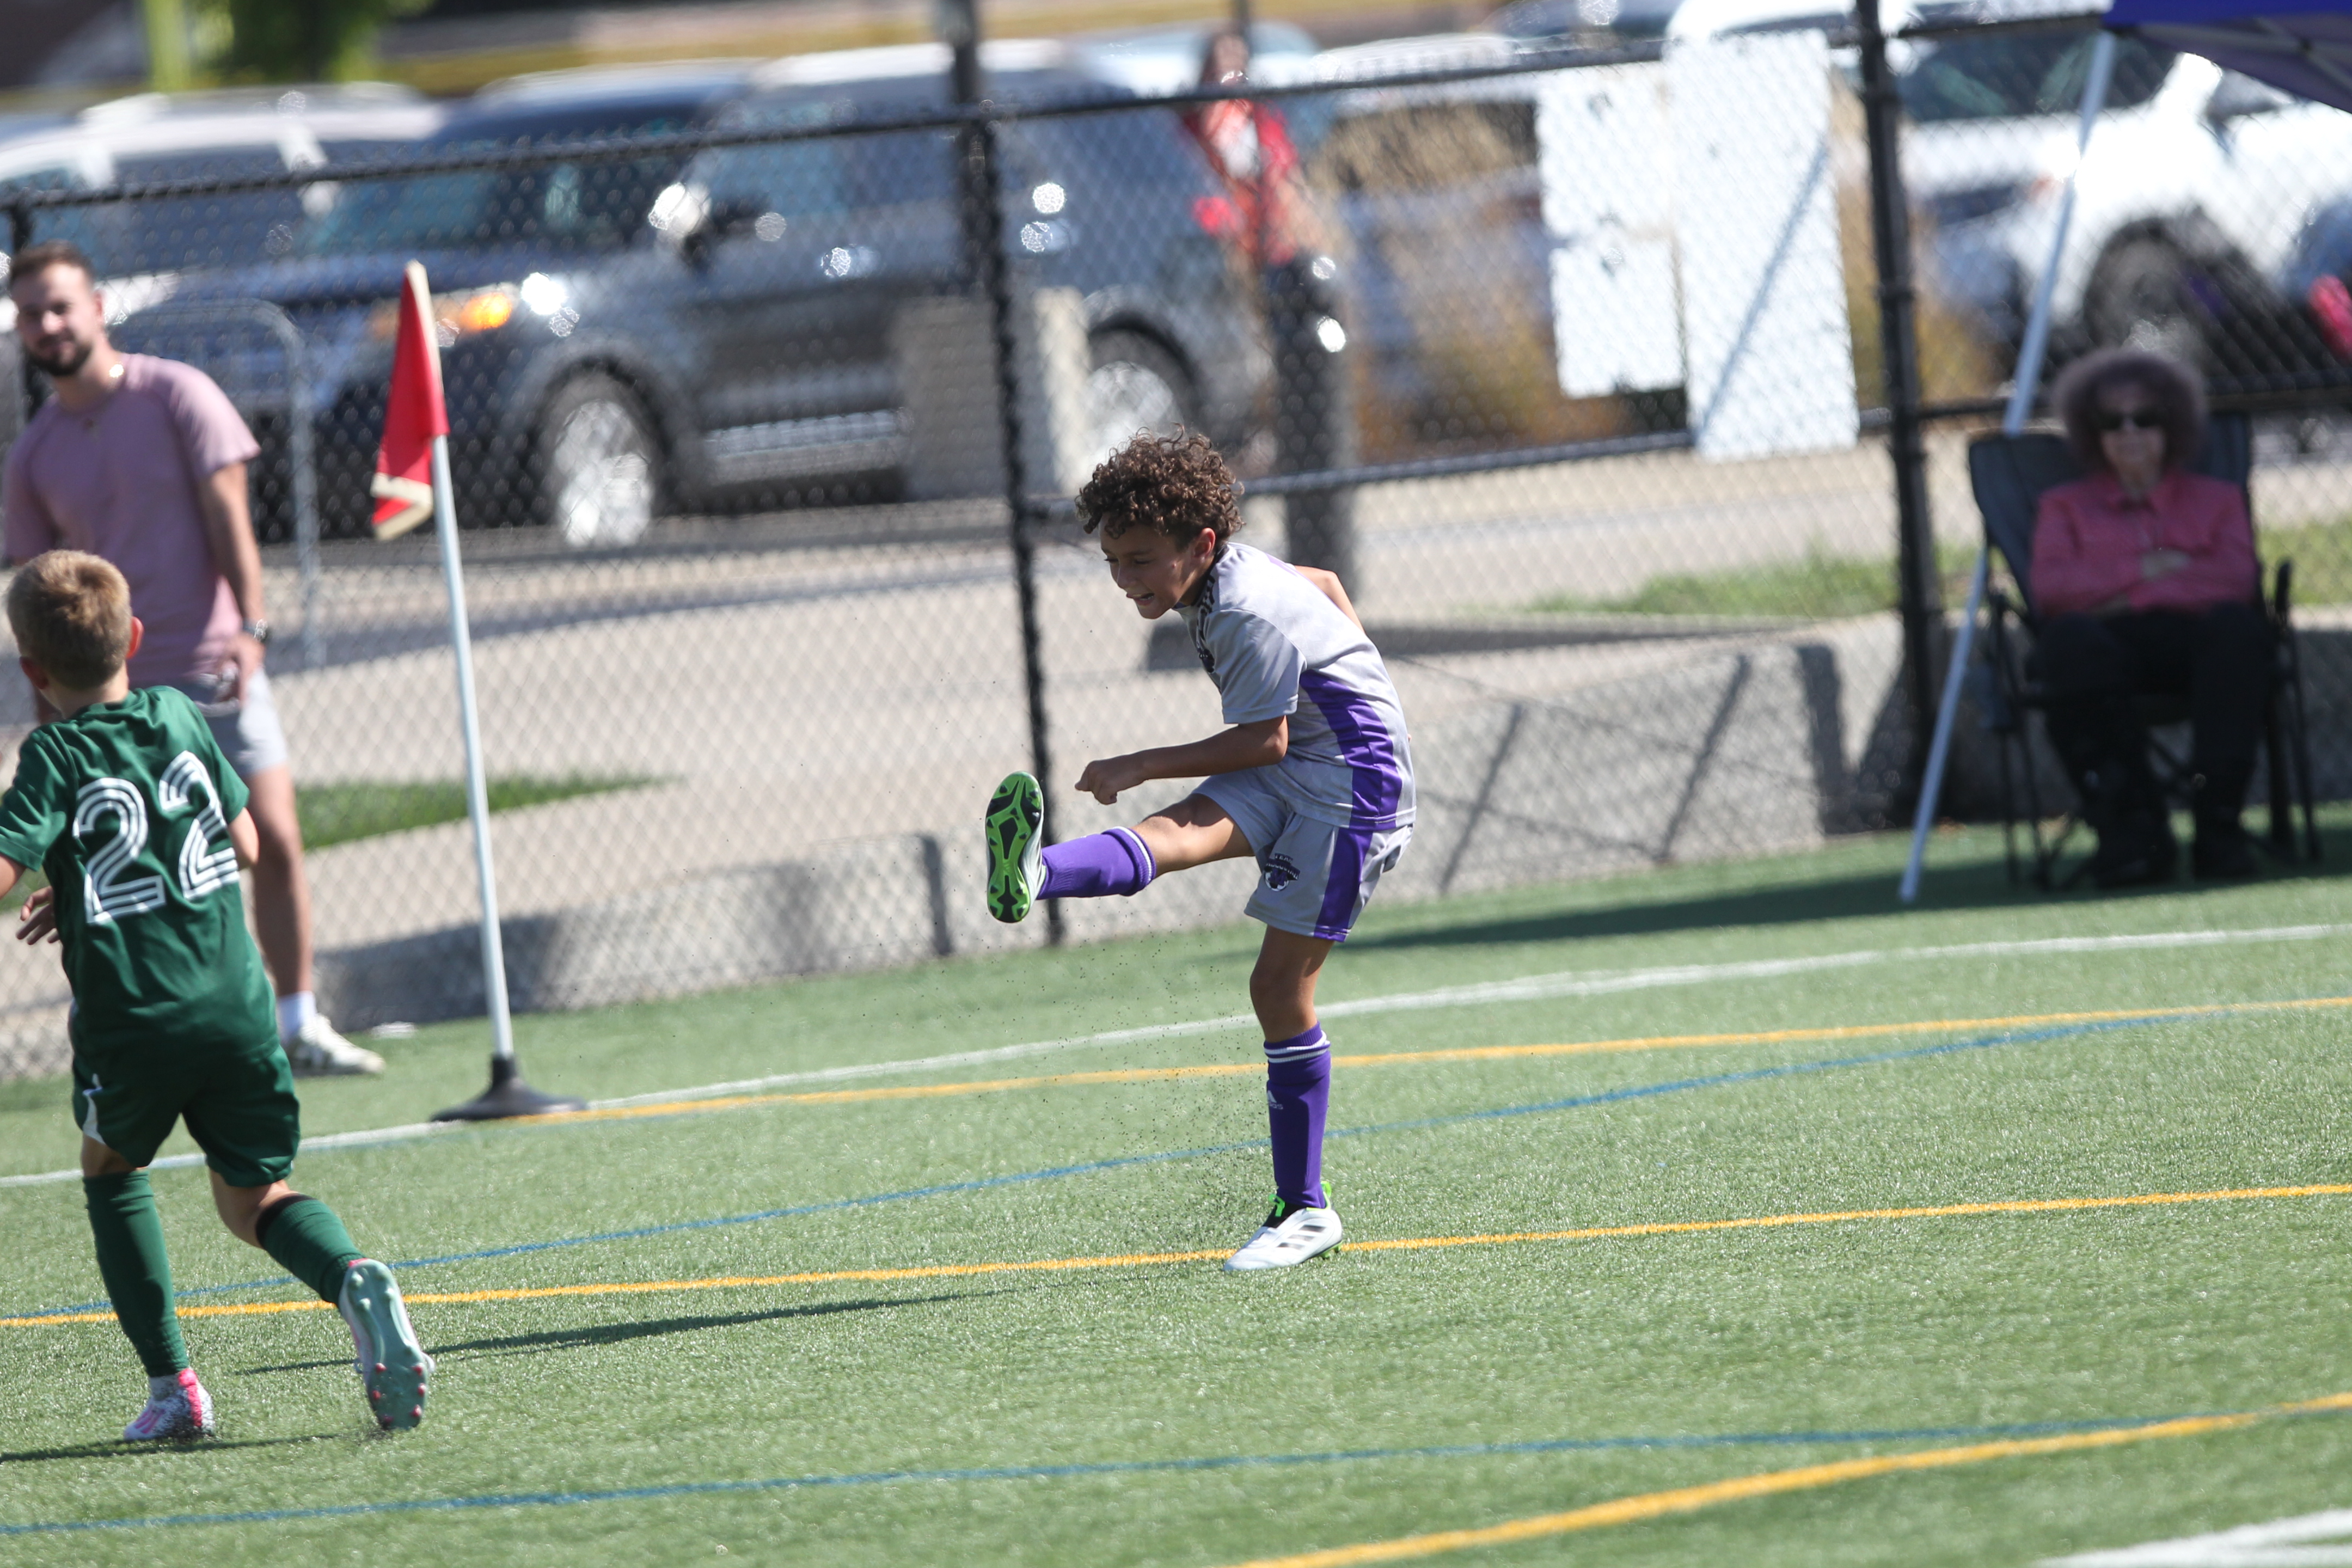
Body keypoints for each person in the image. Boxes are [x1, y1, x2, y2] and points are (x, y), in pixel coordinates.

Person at [0, 552, 428, 1440]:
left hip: (136, 1019)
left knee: (112, 1172)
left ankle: (175, 1392)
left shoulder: (52, 753)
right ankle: (351, 1276)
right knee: (255, 1197)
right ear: (136, 639)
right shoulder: (178, 715)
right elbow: (248, 844)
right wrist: (89, 884)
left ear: (32, 671)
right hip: (238, 1007)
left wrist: (69, 880)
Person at [983, 432, 1412, 1271]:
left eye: (1141, 560)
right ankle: (1034, 873)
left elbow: (1263, 740)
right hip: (1307, 761)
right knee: (1172, 836)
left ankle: (1305, 1210)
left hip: (1351, 792)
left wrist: (1141, 762)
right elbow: (1326, 585)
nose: (1126, 579)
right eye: (1113, 562)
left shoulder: (1243, 607)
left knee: (1278, 988)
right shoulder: (1225, 578)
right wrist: (1362, 675)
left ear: (1201, 544)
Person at [3, 240, 379, 1075]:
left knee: (269, 836)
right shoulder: (32, 457)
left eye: (60, 306)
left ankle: (298, 1021)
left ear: (97, 307)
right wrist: (53, 717)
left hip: (211, 668)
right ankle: (150, 1034)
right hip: (106, 692)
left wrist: (252, 628)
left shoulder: (179, 395)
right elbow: (38, 597)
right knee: (118, 864)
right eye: (31, 314)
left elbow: (230, 519)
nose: (49, 325)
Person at [2032, 348, 2268, 886]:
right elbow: (2053, 592)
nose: (2129, 432)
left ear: (2173, 425)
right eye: (2111, 422)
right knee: (2069, 643)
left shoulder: (2218, 500)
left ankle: (2219, 824)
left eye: (2145, 418)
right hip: (2107, 652)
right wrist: (2149, 568)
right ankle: (2133, 832)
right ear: (2091, 433)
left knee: (2238, 632)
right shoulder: (2063, 507)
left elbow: (2235, 580)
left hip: (2196, 645)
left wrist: (2115, 591)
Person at [1186, 29, 1359, 586]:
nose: (1231, 68)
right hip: (1235, 262)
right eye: (1222, 60)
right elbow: (1220, 179)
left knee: (1288, 373)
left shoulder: (1259, 114)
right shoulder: (1205, 119)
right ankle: (1234, 475)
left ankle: (1262, 462)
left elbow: (1285, 177)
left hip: (1278, 256)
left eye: (1238, 58)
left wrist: (1301, 223)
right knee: (1248, 371)